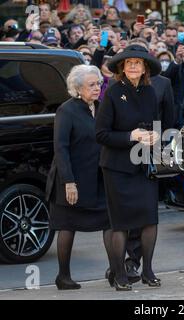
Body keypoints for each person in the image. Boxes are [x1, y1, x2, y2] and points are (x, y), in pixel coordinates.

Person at [96, 44, 162, 291]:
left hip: (143, 165)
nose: (134, 66)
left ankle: (147, 271)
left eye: (138, 62)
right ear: (122, 67)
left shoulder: (150, 92)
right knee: (120, 223)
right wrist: (130, 136)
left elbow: (156, 125)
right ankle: (120, 274)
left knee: (150, 220)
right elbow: (101, 134)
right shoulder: (113, 92)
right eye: (129, 62)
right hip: (116, 167)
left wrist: (155, 136)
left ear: (145, 67)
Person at [45, 65, 113, 290]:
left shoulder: (101, 107)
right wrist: (69, 183)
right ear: (77, 88)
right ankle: (63, 276)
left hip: (97, 178)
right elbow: (61, 148)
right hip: (71, 178)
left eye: (99, 84)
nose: (97, 88)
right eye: (91, 85)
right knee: (67, 225)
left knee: (109, 222)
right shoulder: (67, 110)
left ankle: (116, 271)